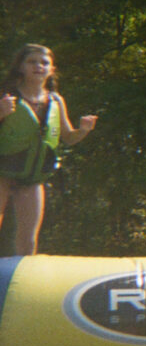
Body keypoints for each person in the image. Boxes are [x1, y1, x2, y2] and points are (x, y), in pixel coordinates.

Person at [0, 43, 97, 255]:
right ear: (21, 67)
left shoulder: (55, 100)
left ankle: (23, 284)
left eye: (44, 63)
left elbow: (69, 138)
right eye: (32, 62)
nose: (38, 66)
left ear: (51, 69)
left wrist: (84, 130)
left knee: (28, 239)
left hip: (32, 177)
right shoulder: (6, 97)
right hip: (2, 173)